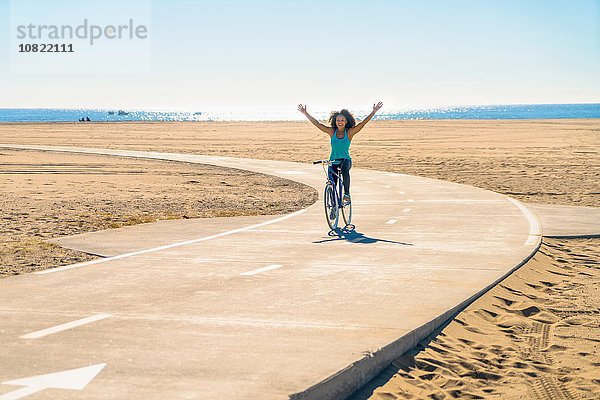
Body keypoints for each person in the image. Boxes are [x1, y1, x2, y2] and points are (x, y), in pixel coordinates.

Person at [298, 102, 383, 204]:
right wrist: (305, 113)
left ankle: (346, 194)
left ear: (346, 121)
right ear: (335, 121)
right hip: (333, 161)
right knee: (332, 183)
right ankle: (333, 205)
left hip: (345, 160)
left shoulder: (349, 133)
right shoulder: (332, 132)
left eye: (342, 120)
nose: (340, 122)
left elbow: (362, 124)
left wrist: (373, 112)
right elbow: (318, 124)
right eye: (338, 120)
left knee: (344, 170)